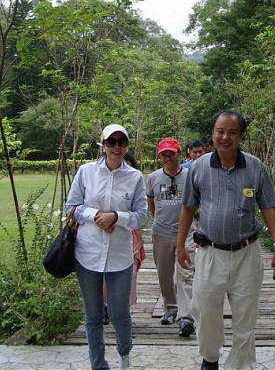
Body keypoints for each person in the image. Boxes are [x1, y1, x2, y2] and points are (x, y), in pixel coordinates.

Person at [177, 110, 275, 370]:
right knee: (205, 311)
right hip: (210, 252)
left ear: (241, 136)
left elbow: (268, 207)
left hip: (246, 254)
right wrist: (180, 245)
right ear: (213, 133)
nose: (225, 137)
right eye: (220, 131)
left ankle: (239, 365)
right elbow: (188, 207)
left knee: (245, 318)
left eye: (232, 132)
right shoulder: (199, 167)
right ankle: (210, 359)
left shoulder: (255, 167)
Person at [65, 123, 148, 370]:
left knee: (120, 313)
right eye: (111, 142)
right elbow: (72, 207)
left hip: (119, 256)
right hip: (87, 253)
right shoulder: (86, 172)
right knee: (93, 316)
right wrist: (96, 216)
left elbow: (142, 215)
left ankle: (125, 355)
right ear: (103, 145)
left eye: (122, 142)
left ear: (127, 145)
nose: (117, 147)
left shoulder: (135, 177)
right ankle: (98, 365)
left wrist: (116, 217)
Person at [146, 137, 196, 337]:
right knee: (164, 274)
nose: (167, 157)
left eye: (171, 153)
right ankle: (170, 309)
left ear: (179, 154)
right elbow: (150, 201)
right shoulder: (153, 178)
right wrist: (158, 217)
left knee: (186, 273)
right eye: (163, 154)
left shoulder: (190, 175)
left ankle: (186, 317)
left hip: (188, 232)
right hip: (161, 232)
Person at [102, 154, 147, 325]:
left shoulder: (136, 181)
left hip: (130, 234)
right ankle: (105, 306)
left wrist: (117, 218)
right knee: (104, 273)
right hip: (103, 233)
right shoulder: (98, 180)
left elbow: (141, 213)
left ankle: (123, 308)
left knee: (130, 272)